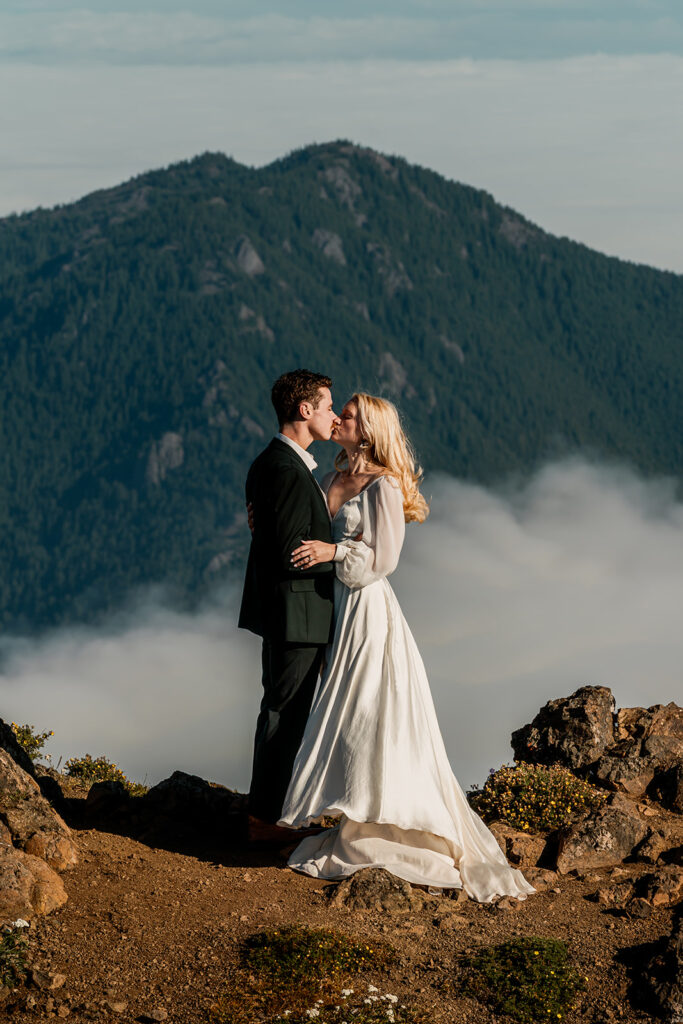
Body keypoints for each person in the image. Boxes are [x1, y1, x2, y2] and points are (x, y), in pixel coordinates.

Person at [278, 393, 536, 902]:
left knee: (371, 710)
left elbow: (385, 558)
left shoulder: (384, 484)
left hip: (368, 609)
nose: (338, 419)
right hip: (337, 610)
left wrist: (334, 550)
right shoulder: (332, 479)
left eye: (347, 415)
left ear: (368, 429)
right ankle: (358, 812)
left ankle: (389, 821)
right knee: (350, 711)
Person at [238, 369, 339, 844]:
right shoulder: (286, 470)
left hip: (291, 613)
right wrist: (346, 560)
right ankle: (266, 820)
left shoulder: (271, 463)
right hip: (298, 616)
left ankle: (277, 813)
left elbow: (270, 533)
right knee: (284, 713)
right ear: (304, 411)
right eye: (326, 407)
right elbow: (289, 552)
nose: (332, 416)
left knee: (285, 711)